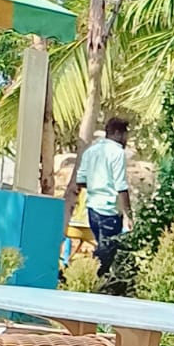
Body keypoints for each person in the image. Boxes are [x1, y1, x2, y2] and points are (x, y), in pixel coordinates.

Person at [73, 117, 131, 275]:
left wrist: (96, 183)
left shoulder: (91, 151)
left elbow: (81, 180)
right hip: (109, 211)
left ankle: (94, 278)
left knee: (104, 248)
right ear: (118, 133)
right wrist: (128, 215)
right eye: (125, 134)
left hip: (92, 209)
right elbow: (121, 186)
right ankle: (87, 276)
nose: (126, 139)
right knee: (106, 254)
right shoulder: (117, 152)